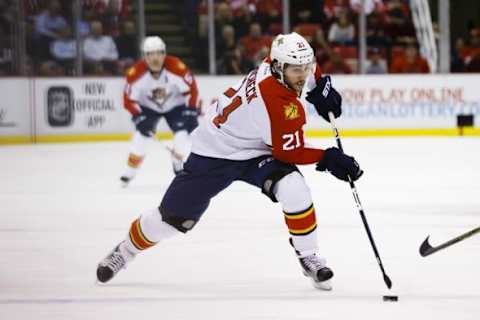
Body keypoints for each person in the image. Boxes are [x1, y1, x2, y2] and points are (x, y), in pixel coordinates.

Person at [97, 32, 363, 290]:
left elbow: (309, 67)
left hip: (256, 148)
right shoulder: (274, 101)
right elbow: (287, 153)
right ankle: (125, 251)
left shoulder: (278, 64)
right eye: (297, 71)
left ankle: (308, 256)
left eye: (305, 68)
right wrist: (328, 157)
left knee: (294, 188)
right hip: (215, 153)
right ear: (279, 67)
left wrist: (320, 88)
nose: (302, 75)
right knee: (171, 221)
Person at [120, 36, 200, 185]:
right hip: (148, 108)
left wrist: (190, 110)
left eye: (158, 53)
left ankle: (178, 165)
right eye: (150, 54)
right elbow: (128, 99)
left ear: (164, 54)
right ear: (144, 56)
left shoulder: (176, 67)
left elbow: (191, 90)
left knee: (182, 136)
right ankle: (130, 171)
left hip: (175, 106)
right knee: (140, 138)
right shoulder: (135, 73)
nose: (154, 58)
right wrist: (138, 115)